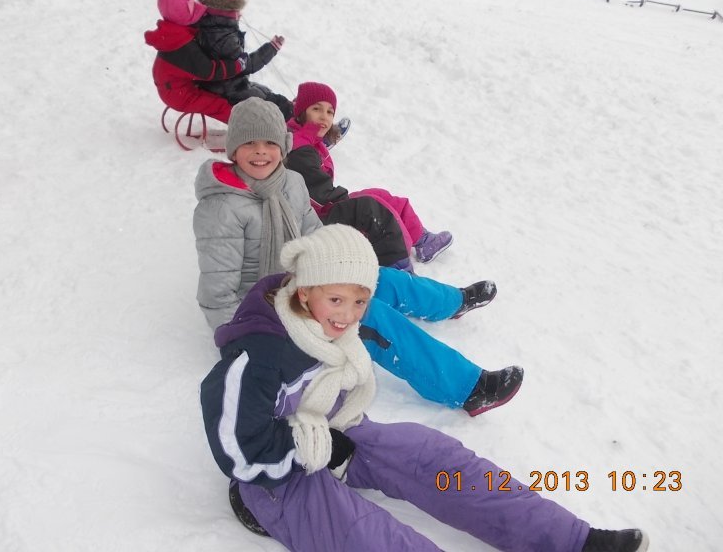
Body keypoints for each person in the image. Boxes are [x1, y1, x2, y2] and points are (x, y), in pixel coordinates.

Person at [200, 224, 650, 552]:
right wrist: (311, 449)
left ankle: (571, 541)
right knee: (367, 533)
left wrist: (336, 442)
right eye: (336, 300)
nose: (348, 315)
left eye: (360, 301)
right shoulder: (259, 356)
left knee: (434, 456)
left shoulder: (331, 326)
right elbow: (240, 448)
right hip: (271, 478)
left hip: (337, 433)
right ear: (304, 292)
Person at [193, 97, 520, 414]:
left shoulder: (291, 183)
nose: (261, 151)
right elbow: (217, 295)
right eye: (250, 143)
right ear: (233, 149)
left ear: (283, 145)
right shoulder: (221, 208)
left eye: (269, 142)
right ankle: (468, 388)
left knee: (380, 279)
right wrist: (250, 343)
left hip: (305, 282)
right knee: (369, 316)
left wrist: (346, 267)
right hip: (268, 310)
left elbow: (316, 235)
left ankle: (452, 302)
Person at [285, 82, 454, 271]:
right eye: (317, 109)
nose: (325, 116)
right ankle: (400, 262)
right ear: (301, 111)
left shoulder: (309, 140)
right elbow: (318, 196)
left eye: (330, 112)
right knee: (375, 208)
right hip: (315, 218)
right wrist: (352, 205)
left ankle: (422, 239)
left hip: (323, 207)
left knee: (379, 194)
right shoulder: (300, 149)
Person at [144, 0, 281, 123]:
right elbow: (209, 70)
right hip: (179, 94)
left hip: (177, 85)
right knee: (221, 105)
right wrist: (237, 65)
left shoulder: (175, 29)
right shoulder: (182, 46)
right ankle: (243, 127)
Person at [193, 0, 294, 119]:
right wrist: (271, 49)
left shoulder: (210, 28)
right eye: (236, 10)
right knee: (266, 102)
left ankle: (291, 110)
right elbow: (246, 65)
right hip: (226, 89)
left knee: (264, 91)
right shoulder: (224, 38)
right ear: (225, 12)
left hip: (223, 83)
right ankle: (290, 122)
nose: (240, 14)